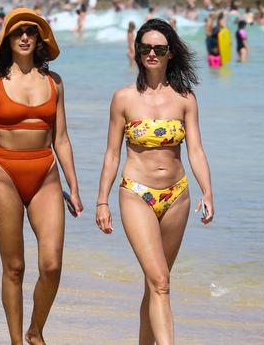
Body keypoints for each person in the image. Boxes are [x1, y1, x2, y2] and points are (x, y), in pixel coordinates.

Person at [96, 19, 214, 344]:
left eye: (159, 49)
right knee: (161, 281)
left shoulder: (185, 98)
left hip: (178, 196)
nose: (152, 53)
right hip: (136, 193)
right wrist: (102, 200)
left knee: (156, 284)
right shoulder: (123, 98)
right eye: (146, 48)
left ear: (170, 53)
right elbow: (111, 155)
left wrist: (207, 192)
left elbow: (197, 151)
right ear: (137, 53)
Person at [0, 8, 83, 345]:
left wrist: (74, 186)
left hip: (46, 174)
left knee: (51, 265)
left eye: (31, 32)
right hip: (3, 174)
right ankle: (16, 342)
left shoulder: (55, 82)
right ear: (7, 39)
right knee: (15, 267)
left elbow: (61, 138)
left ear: (39, 40)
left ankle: (35, 331)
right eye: (18, 32)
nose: (24, 37)